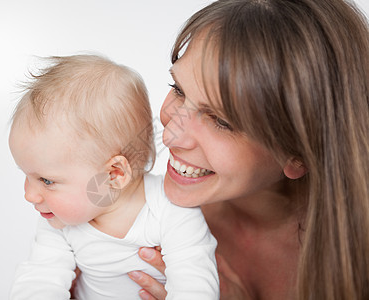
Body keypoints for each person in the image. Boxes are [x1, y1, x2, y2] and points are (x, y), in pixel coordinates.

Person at [128, 0, 369, 299]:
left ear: (298, 153)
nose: (171, 137)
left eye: (220, 120)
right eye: (179, 90)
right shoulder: (132, 216)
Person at [8, 55, 219, 299]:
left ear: (114, 174)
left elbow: (194, 286)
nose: (29, 194)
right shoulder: (58, 221)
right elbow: (38, 280)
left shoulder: (172, 211)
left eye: (46, 181)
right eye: (27, 176)